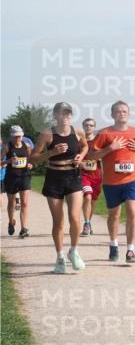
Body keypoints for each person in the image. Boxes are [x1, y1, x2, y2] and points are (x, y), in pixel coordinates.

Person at [30, 102, 88, 273]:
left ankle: (74, 251)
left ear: (71, 115)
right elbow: (33, 158)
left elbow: (85, 145)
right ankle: (60, 257)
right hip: (54, 178)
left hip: (73, 177)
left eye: (68, 113)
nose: (65, 116)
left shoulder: (78, 132)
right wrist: (51, 153)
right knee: (58, 221)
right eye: (62, 113)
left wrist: (81, 156)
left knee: (75, 218)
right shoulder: (47, 134)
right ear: (55, 115)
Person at [88, 101, 135, 264]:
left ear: (129, 114)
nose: (122, 114)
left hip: (132, 179)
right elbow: (91, 156)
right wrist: (110, 148)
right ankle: (113, 245)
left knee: (132, 211)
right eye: (118, 111)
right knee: (114, 215)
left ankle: (130, 250)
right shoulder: (104, 133)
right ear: (112, 115)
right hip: (111, 182)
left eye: (125, 111)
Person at [3, 126, 33, 238]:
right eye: (15, 136)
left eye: (19, 136)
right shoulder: (7, 147)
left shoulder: (27, 146)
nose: (17, 138)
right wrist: (9, 160)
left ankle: (23, 228)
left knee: (24, 203)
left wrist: (30, 164)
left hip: (25, 176)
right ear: (11, 136)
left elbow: (31, 158)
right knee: (12, 202)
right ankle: (11, 222)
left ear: (22, 135)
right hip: (11, 177)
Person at [79, 118, 102, 236]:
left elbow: (105, 156)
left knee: (92, 201)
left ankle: (88, 222)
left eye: (91, 125)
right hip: (83, 175)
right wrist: (80, 163)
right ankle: (87, 223)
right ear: (83, 126)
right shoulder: (79, 142)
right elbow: (74, 158)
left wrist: (101, 157)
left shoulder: (99, 142)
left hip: (97, 176)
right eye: (86, 125)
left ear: (94, 127)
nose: (88, 127)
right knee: (87, 196)